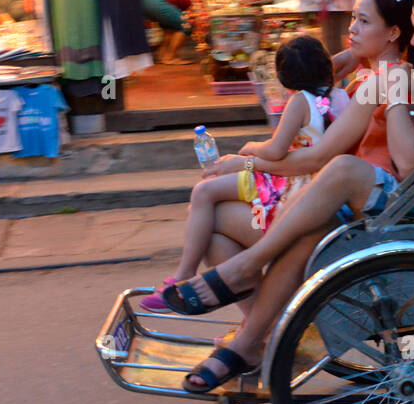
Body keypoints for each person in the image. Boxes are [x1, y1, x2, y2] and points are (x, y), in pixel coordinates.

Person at [164, 0, 414, 393]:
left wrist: (392, 85)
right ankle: (258, 337)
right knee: (257, 224)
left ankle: (249, 285)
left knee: (340, 171)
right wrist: (358, 60)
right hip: (396, 198)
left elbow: (409, 161)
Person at [140, 0, 414, 341]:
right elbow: (325, 78)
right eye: (352, 18)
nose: (351, 28)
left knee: (210, 217)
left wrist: (244, 162)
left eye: (363, 21)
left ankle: (262, 335)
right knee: (209, 208)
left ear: (394, 32)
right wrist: (355, 52)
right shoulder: (375, 72)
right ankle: (265, 333)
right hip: (324, 191)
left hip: (329, 201)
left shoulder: (380, 81)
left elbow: (316, 157)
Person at [140, 34, 350, 313]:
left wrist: (251, 148)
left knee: (203, 192)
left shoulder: (300, 101)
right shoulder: (343, 97)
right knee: (206, 195)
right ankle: (246, 320)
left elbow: (275, 151)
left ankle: (183, 275)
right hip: (304, 184)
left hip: (287, 186)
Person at [139, 0, 196, 64]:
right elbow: (191, 14)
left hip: (145, 2)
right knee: (186, 25)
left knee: (168, 29)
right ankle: (170, 57)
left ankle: (162, 55)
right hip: (157, 2)